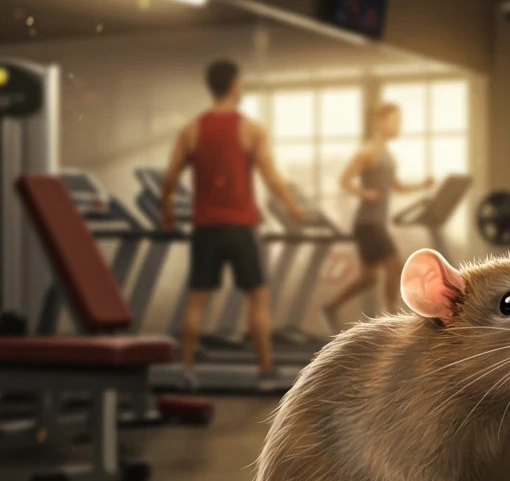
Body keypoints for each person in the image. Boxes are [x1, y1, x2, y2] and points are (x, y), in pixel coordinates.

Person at [160, 58, 304, 388]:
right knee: (257, 299)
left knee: (197, 299)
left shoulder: (191, 130)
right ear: (236, 85)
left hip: (206, 228)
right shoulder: (251, 130)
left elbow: (169, 178)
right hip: (240, 227)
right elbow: (271, 177)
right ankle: (266, 372)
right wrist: (292, 208)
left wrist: (166, 210)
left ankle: (186, 370)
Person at [324, 103, 432, 326]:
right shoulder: (368, 151)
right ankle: (392, 316)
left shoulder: (386, 154)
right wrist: (364, 192)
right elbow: (344, 180)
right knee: (395, 266)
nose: (398, 127)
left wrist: (422, 185)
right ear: (380, 122)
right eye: (394, 121)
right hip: (368, 222)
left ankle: (331, 307)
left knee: (369, 278)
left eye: (399, 122)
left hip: (375, 222)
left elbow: (397, 186)